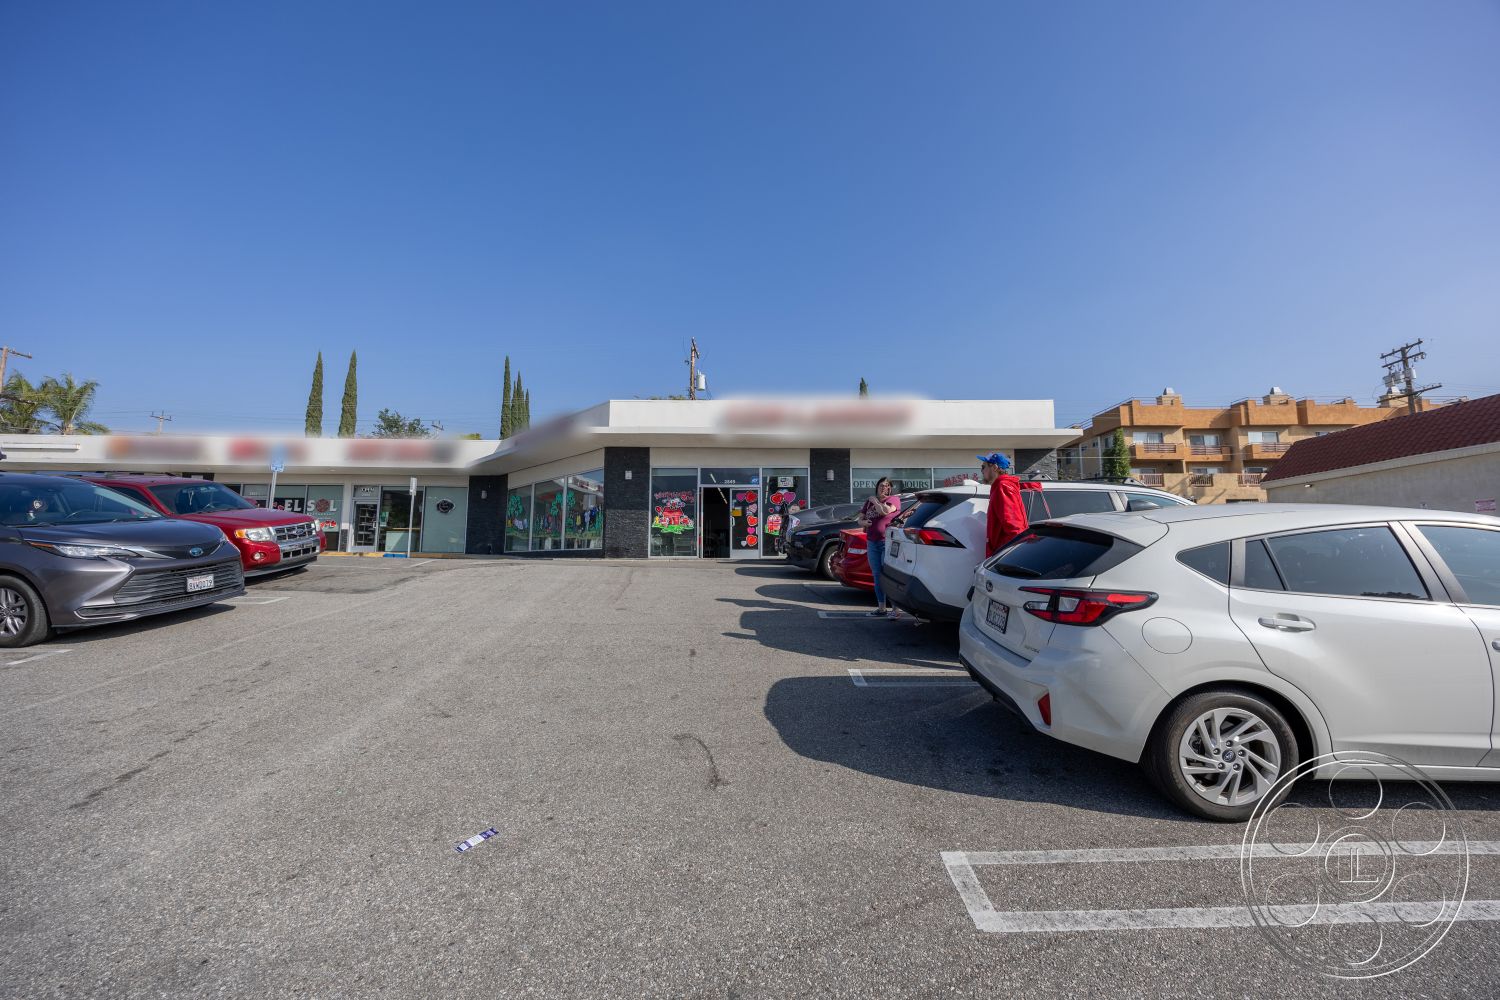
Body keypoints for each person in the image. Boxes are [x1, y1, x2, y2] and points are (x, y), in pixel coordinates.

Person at [858, 476, 902, 618]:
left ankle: (895, 610)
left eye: (887, 485)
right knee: (877, 575)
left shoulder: (893, 500)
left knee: (888, 575)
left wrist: (875, 501)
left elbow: (885, 512)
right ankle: (881, 608)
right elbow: (860, 519)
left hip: (886, 543)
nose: (884, 487)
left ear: (889, 488)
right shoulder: (868, 502)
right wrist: (864, 523)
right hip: (872, 542)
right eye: (881, 485)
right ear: (877, 487)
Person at [979, 452, 1028, 558]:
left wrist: (1002, 558)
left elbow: (1015, 528)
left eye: (983, 467)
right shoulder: (999, 486)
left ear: (995, 467)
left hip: (1005, 556)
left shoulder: (1003, 486)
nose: (981, 471)